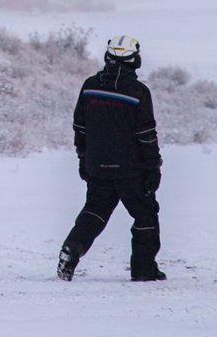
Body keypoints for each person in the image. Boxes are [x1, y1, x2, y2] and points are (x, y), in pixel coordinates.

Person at [57, 35, 165, 282]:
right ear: (134, 59)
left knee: (94, 212)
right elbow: (146, 135)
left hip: (98, 167)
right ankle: (144, 270)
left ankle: (71, 250)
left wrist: (83, 159)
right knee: (145, 215)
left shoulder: (90, 86)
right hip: (132, 170)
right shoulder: (139, 92)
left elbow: (79, 127)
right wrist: (154, 167)